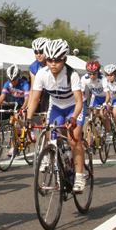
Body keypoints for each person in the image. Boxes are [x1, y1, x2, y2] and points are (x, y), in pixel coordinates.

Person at [26, 39, 86, 192]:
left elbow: (79, 102)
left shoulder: (72, 75)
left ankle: (80, 175)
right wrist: (28, 119)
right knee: (51, 135)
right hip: (57, 107)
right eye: (50, 60)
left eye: (58, 60)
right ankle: (61, 160)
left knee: (74, 139)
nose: (53, 64)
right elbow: (34, 99)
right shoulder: (41, 74)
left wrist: (73, 119)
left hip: (74, 107)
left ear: (64, 59)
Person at [0, 64, 30, 156]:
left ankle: (29, 133)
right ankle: (13, 147)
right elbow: (2, 96)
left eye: (14, 80)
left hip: (27, 103)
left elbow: (27, 100)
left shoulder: (25, 84)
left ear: (19, 77)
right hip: (18, 103)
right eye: (10, 80)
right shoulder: (7, 84)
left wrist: (21, 110)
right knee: (13, 123)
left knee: (25, 118)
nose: (12, 82)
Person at [81, 60, 107, 135]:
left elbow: (108, 94)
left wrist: (105, 104)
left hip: (106, 96)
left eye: (94, 74)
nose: (92, 76)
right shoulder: (84, 78)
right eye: (90, 74)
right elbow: (81, 93)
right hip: (96, 97)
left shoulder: (103, 78)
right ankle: (92, 129)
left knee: (103, 114)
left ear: (98, 72)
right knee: (92, 113)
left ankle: (108, 131)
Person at [29, 37, 50, 120]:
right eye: (36, 52)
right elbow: (33, 89)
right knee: (44, 118)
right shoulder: (34, 67)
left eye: (41, 52)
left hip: (59, 93)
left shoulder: (54, 63)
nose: (38, 54)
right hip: (45, 93)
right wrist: (28, 107)